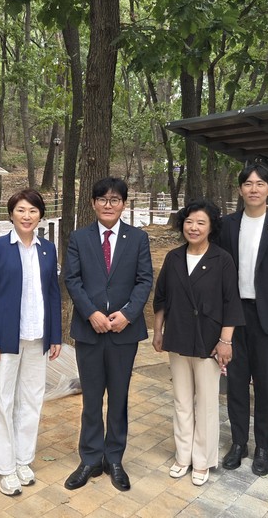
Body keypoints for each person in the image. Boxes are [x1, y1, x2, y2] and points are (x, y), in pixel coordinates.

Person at [63, 177, 153, 492]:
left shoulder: (138, 238)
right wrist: (91, 313)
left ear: (123, 204)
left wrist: (128, 314)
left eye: (115, 199)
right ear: (93, 203)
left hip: (123, 333)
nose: (108, 205)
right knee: (91, 399)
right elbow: (72, 279)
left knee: (118, 398)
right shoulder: (79, 238)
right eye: (102, 199)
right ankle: (90, 459)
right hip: (89, 331)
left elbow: (145, 280)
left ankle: (114, 458)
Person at [152, 199, 244, 486]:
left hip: (209, 339)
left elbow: (231, 302)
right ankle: (183, 456)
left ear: (211, 227)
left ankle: (202, 460)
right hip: (178, 335)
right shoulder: (173, 258)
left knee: (206, 403)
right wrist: (158, 331)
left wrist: (226, 341)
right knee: (181, 401)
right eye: (189, 221)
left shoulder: (222, 259)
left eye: (201, 222)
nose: (194, 227)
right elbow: (161, 297)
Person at [217, 162, 268, 477]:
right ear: (240, 190)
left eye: (260, 184)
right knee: (236, 383)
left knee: (266, 385)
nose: (254, 189)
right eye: (248, 184)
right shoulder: (227, 225)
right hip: (234, 315)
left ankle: (263, 446)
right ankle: (239, 443)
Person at [0, 189, 62, 496]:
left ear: (41, 215)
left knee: (31, 399)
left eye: (33, 211)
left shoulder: (48, 249)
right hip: (6, 338)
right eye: (21, 210)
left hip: (38, 336)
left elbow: (53, 293)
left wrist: (55, 335)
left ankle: (22, 459)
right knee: (2, 400)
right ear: (11, 214)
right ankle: (3, 466)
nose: (27, 216)